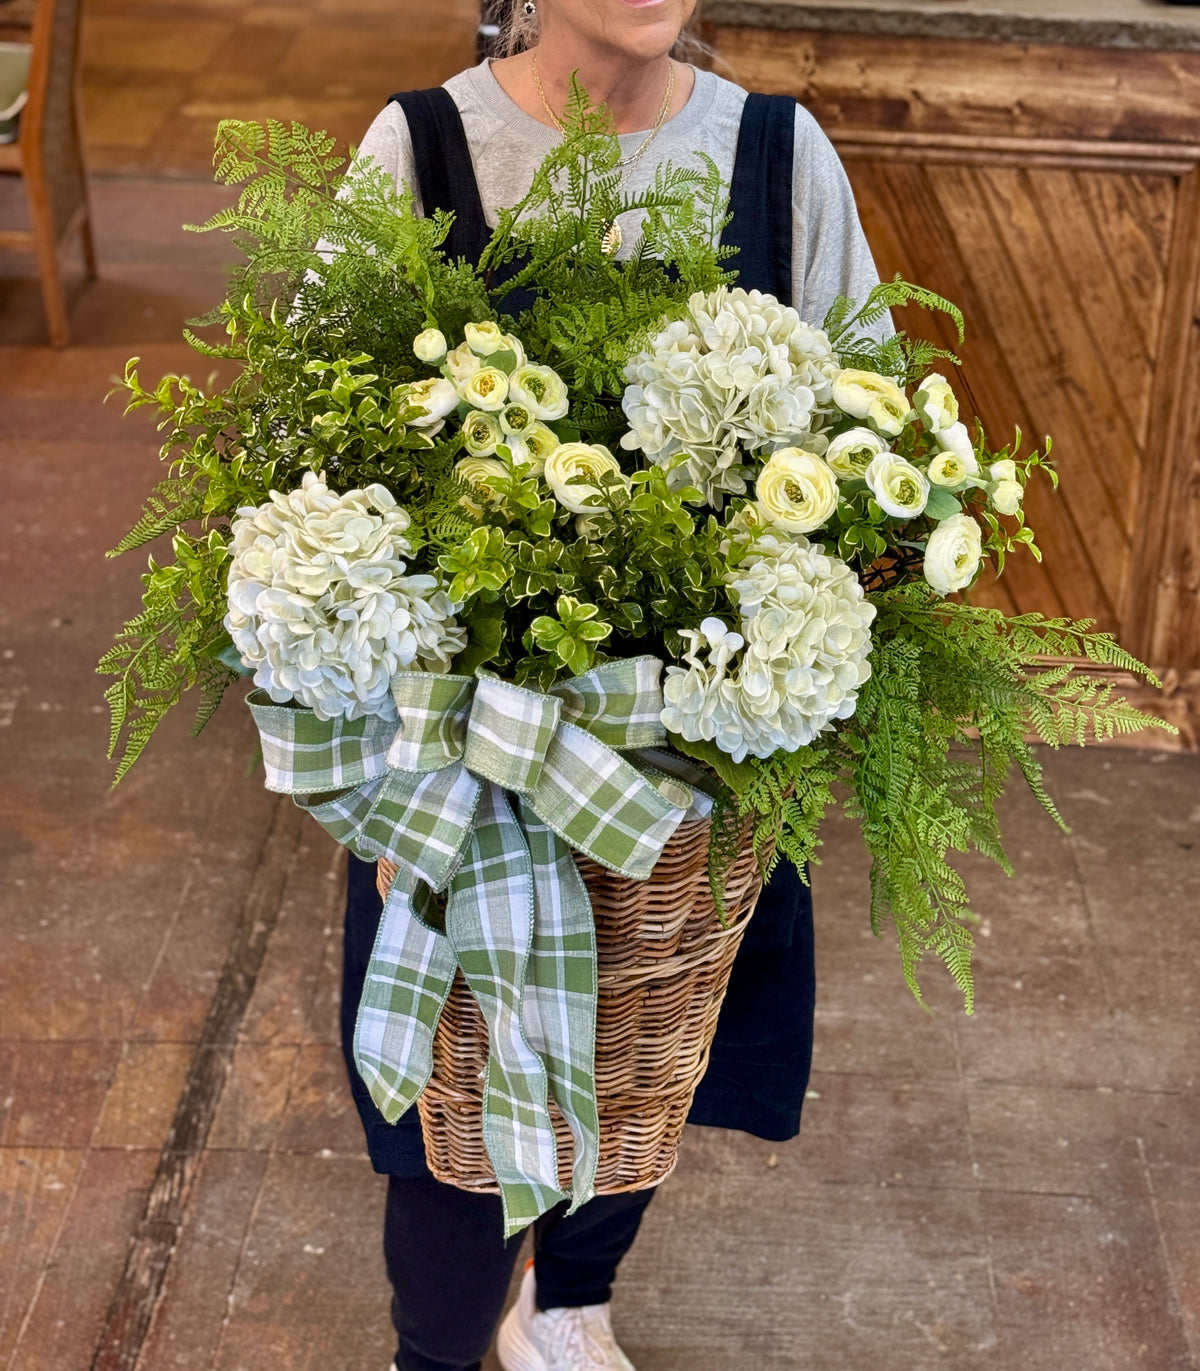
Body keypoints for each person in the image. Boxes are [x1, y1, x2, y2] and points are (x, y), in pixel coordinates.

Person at [340, 3, 885, 1368]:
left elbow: (874, 442)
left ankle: (572, 1301)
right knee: (452, 1139)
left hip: (689, 771)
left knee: (648, 1059)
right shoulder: (424, 154)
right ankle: (449, 1346)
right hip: (469, 781)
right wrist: (372, 777)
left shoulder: (776, 156)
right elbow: (316, 476)